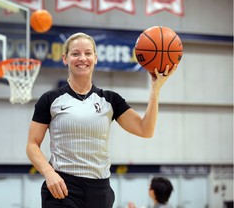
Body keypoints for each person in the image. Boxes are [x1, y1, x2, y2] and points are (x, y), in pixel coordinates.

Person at [26, 32, 177, 208]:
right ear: (65, 58)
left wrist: (155, 90)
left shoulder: (110, 100)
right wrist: (48, 172)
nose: (82, 58)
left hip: (99, 189)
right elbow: (32, 144)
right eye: (75, 53)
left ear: (95, 58)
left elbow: (146, 130)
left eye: (88, 53)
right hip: (62, 187)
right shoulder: (50, 99)